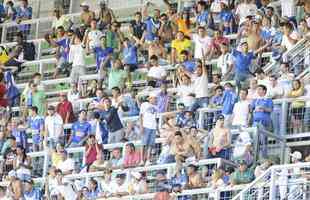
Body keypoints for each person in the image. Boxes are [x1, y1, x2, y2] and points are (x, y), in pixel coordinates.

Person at [140, 93, 158, 165]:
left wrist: (157, 129)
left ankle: (148, 159)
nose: (154, 99)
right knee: (143, 144)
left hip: (153, 127)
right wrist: (141, 126)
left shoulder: (156, 107)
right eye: (153, 98)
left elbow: (156, 118)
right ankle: (141, 160)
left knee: (150, 144)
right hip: (146, 126)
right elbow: (141, 116)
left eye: (155, 98)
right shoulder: (144, 104)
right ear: (149, 99)